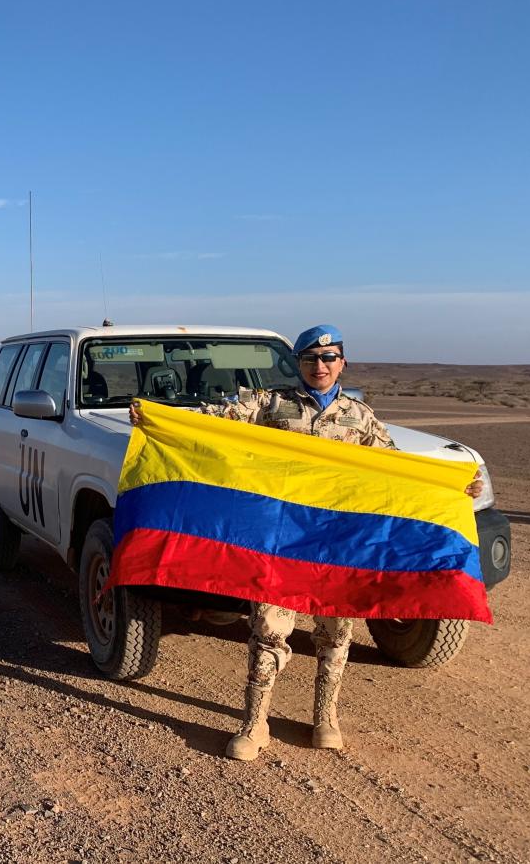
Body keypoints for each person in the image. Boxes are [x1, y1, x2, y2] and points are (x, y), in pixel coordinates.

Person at [129, 324, 482, 761]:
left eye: (329, 357)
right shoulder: (270, 404)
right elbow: (213, 420)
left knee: (335, 633)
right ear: (298, 363)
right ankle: (255, 722)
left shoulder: (360, 417)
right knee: (268, 630)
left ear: (342, 363)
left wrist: (451, 490)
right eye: (311, 358)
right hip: (282, 544)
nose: (320, 365)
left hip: (338, 546)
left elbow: (398, 474)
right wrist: (158, 420)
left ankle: (325, 717)